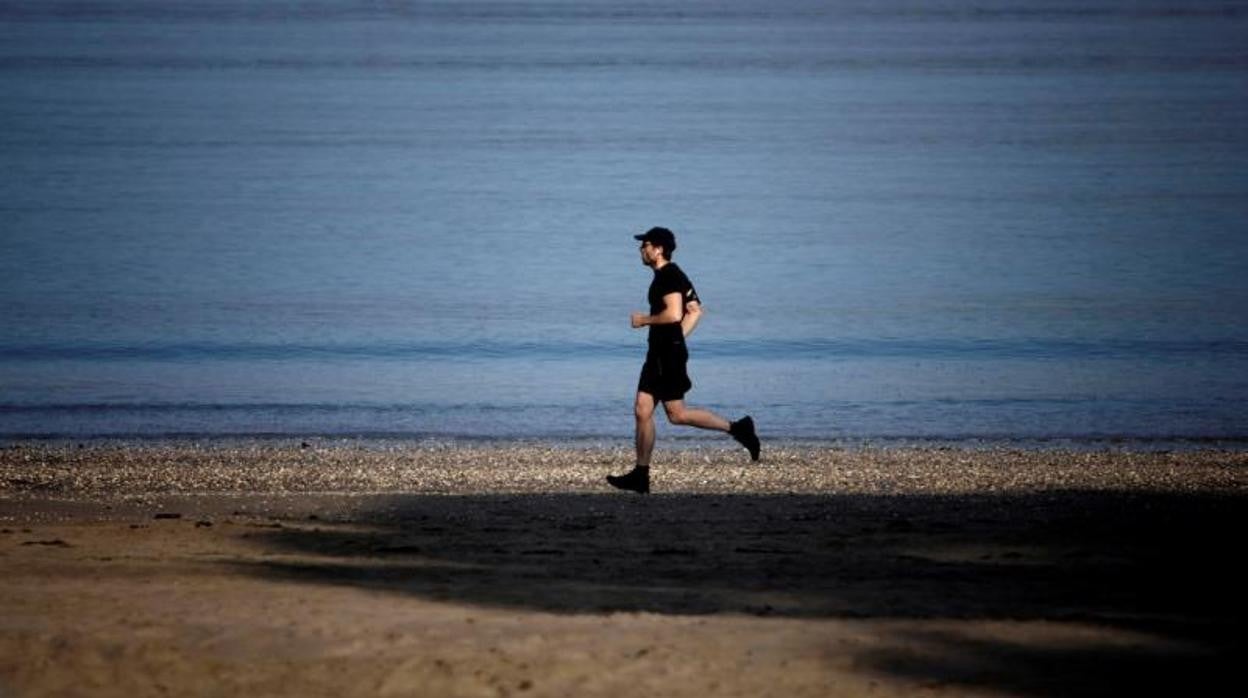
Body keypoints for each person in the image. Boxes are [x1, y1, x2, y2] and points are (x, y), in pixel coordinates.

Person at [607, 227, 760, 494]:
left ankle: (738, 428)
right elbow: (695, 310)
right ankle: (640, 475)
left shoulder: (668, 276)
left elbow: (675, 313)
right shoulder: (675, 275)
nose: (640, 250)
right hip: (664, 352)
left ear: (658, 249)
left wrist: (644, 320)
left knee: (673, 414)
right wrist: (677, 340)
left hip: (665, 355)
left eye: (645, 245)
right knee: (646, 410)